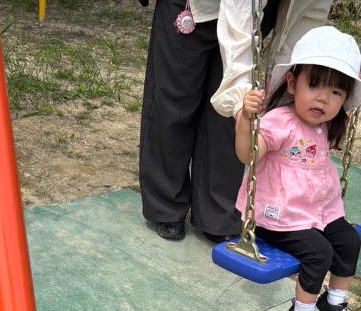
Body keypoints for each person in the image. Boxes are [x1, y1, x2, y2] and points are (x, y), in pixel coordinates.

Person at [138, 1, 331, 242]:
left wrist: (278, 84)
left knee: (229, 120)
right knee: (174, 99)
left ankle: (218, 213)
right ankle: (165, 203)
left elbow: (305, 17)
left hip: (255, 10)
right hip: (192, 7)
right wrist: (240, 99)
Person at [233, 25, 361, 311]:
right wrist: (244, 120)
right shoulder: (279, 121)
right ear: (293, 83)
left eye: (337, 92)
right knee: (320, 252)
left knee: (349, 240)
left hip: (317, 212)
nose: (324, 98)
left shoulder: (326, 127)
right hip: (278, 216)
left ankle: (333, 301)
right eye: (315, 85)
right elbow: (247, 154)